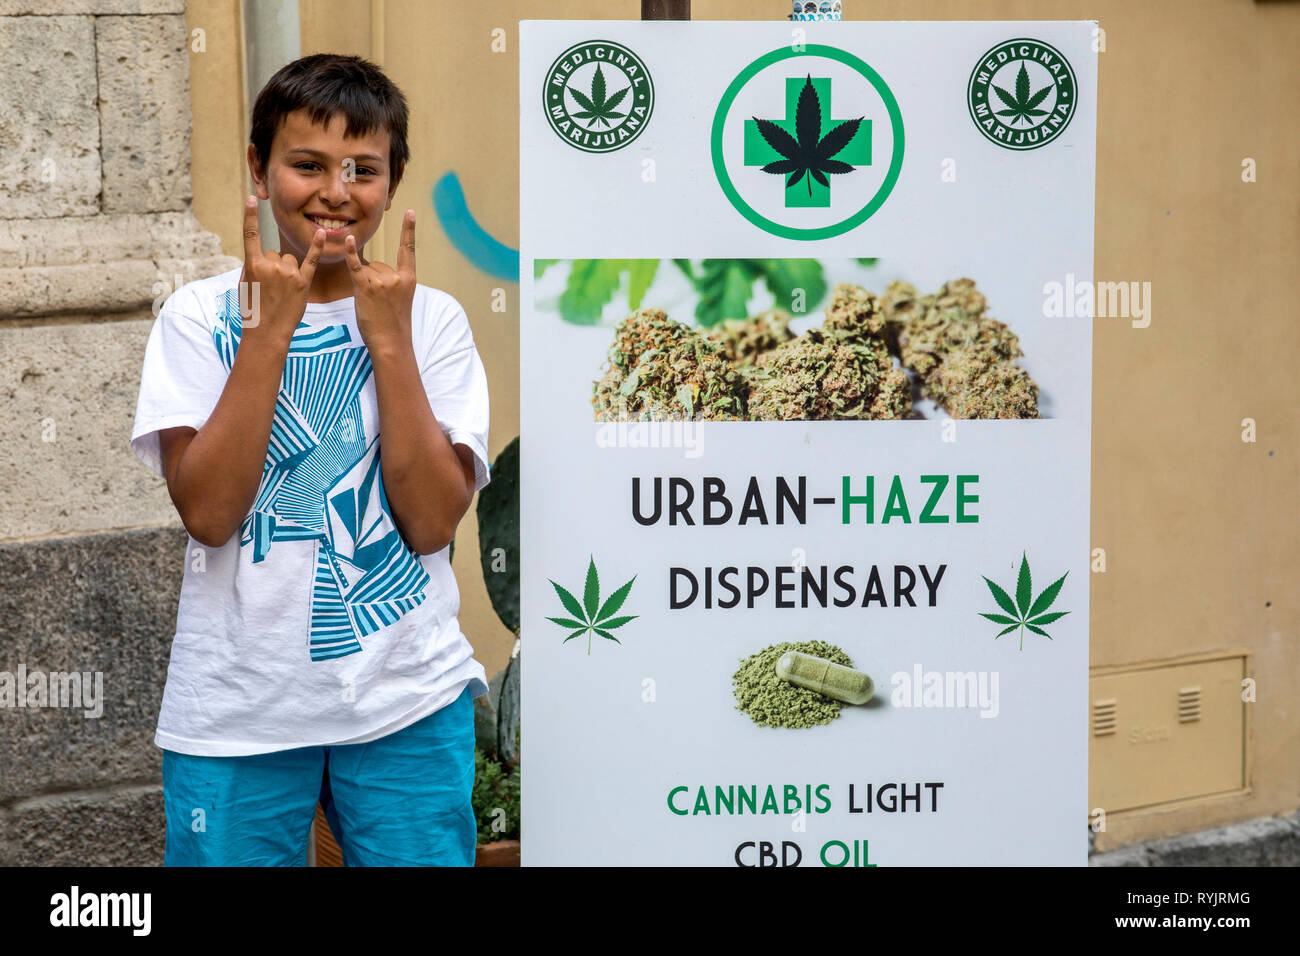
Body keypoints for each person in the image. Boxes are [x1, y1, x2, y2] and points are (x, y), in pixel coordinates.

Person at [128, 53, 490, 866]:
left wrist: (387, 339)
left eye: (365, 168)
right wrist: (269, 330)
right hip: (238, 709)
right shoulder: (198, 318)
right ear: (259, 170)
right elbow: (211, 515)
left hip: (407, 698)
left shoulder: (430, 321)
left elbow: (432, 524)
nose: (337, 190)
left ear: (393, 182)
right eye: (308, 164)